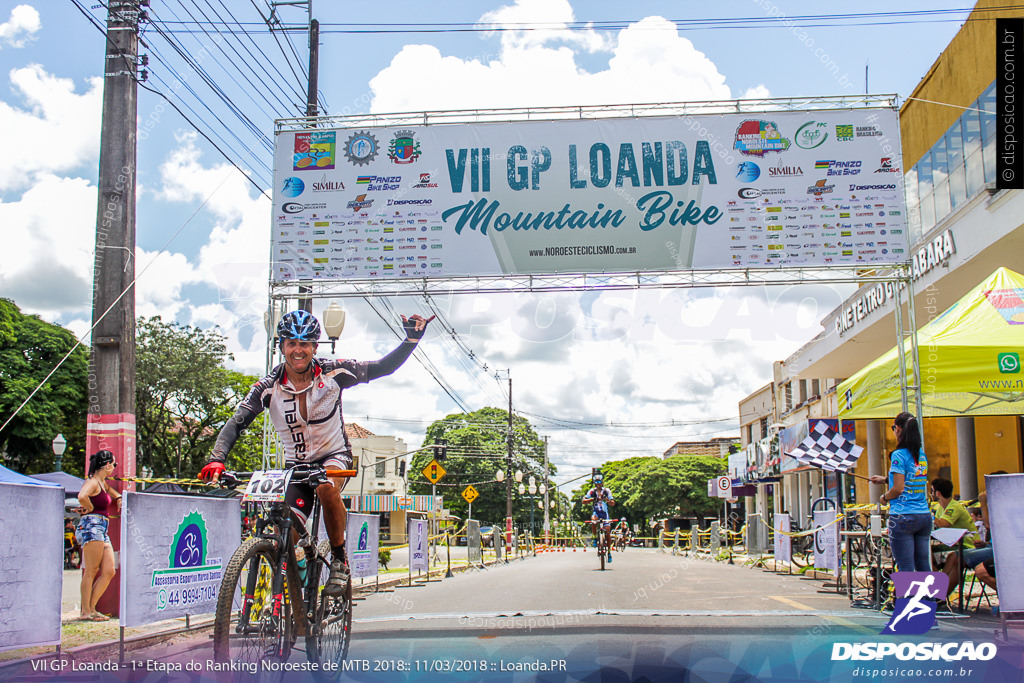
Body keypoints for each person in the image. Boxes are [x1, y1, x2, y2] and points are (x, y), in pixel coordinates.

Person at [199, 309, 432, 596]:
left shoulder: (335, 372)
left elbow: (383, 367)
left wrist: (410, 341)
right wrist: (216, 459)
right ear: (282, 346)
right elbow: (237, 422)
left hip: (334, 457)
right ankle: (299, 566)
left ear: (314, 347)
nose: (298, 350)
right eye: (291, 343)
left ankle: (338, 559)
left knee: (325, 486)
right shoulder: (268, 386)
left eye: (304, 343)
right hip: (296, 466)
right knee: (283, 520)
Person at [868, 412, 931, 573]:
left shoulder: (898, 455)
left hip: (903, 516)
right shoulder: (921, 455)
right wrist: (884, 480)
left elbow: (898, 489)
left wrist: (884, 497)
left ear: (898, 429)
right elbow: (910, 480)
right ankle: (929, 598)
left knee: (905, 567)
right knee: (924, 566)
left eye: (893, 427)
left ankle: (908, 598)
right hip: (923, 515)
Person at [75, 450, 122, 621]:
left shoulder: (102, 483)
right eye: (114, 465)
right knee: (91, 570)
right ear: (106, 464)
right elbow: (82, 496)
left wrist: (118, 498)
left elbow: (111, 492)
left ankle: (91, 608)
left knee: (109, 570)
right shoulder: (93, 482)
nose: (114, 468)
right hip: (92, 524)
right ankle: (86, 611)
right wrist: (89, 508)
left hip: (101, 526)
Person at [929, 477, 979, 597]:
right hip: (952, 544)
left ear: (937, 493)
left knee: (955, 558)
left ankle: (940, 592)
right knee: (924, 553)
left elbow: (943, 524)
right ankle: (937, 586)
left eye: (932, 491)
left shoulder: (954, 507)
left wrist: (926, 513)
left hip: (969, 544)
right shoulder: (941, 508)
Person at [582, 475, 615, 562]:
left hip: (605, 513)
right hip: (596, 512)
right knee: (593, 521)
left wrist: (607, 500)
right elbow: (583, 501)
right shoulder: (592, 491)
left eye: (599, 482)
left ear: (602, 482)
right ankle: (595, 538)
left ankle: (609, 552)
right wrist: (592, 499)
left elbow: (613, 503)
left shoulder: (606, 491)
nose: (598, 484)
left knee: (608, 532)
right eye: (596, 482)